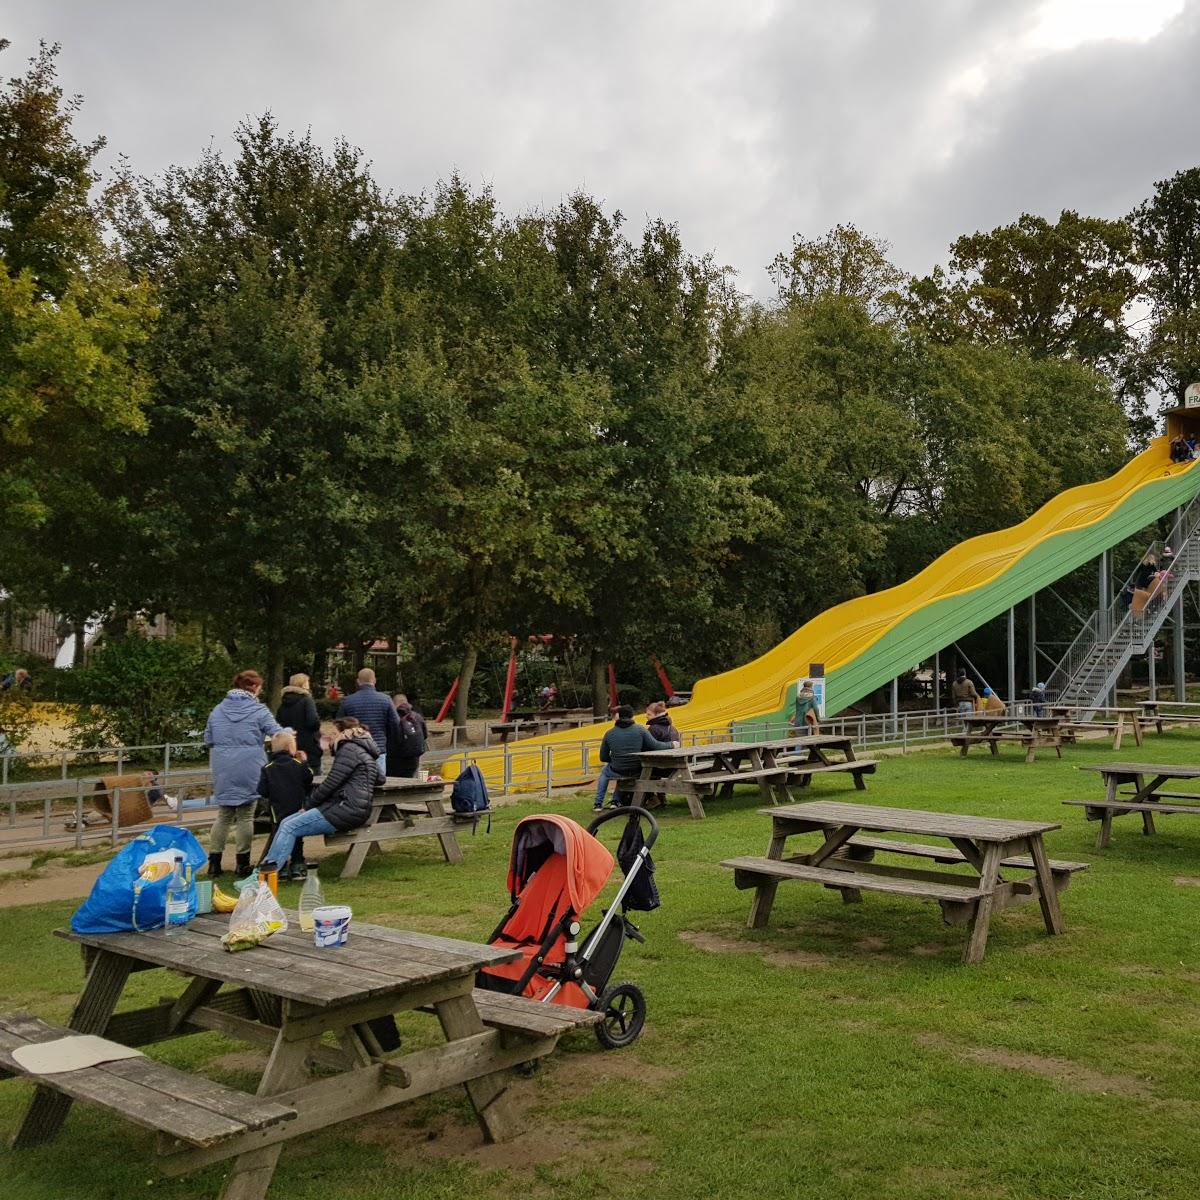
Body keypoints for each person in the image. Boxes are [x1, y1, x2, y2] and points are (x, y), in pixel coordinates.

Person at [259, 718, 381, 872]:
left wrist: (308, 805)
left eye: (333, 733)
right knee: (286, 822)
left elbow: (331, 783)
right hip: (348, 806)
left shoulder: (348, 750)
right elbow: (380, 778)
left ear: (344, 733)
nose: (329, 737)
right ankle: (267, 869)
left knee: (290, 826)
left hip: (346, 808)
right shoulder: (360, 750)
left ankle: (267, 873)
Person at [204, 669, 282, 878]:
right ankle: (242, 862)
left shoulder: (218, 710)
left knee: (224, 815)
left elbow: (208, 738)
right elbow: (276, 732)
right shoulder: (259, 710)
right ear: (254, 687)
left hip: (222, 765)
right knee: (246, 815)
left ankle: (214, 863)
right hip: (250, 764)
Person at [257, 731, 315, 881]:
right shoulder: (298, 765)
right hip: (297, 808)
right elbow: (309, 779)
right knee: (297, 837)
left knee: (278, 837)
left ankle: (280, 867)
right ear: (290, 748)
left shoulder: (268, 768)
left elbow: (262, 790)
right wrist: (305, 761)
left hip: (277, 811)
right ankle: (297, 864)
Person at [594, 704, 673, 811]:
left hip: (618, 769)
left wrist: (615, 760)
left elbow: (603, 757)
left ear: (619, 716)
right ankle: (615, 801)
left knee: (605, 771)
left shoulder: (609, 733)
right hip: (637, 770)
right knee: (619, 771)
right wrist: (672, 744)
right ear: (632, 716)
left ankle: (598, 803)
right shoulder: (640, 730)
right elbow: (656, 745)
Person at [337, 668, 400, 779]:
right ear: (374, 680)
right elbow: (395, 723)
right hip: (378, 747)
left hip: (355, 749)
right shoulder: (386, 699)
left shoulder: (347, 701)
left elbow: (339, 724)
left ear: (358, 681)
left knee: (356, 781)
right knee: (379, 782)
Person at [276, 672, 322, 778]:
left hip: (290, 743)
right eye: (307, 682)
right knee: (312, 775)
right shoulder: (307, 700)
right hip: (308, 744)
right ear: (303, 684)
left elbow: (278, 722)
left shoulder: (283, 702)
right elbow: (312, 722)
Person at [387, 696, 426, 778]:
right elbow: (424, 735)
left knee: (394, 780)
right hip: (413, 757)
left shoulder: (392, 717)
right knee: (410, 779)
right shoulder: (417, 716)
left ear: (394, 704)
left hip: (394, 758)